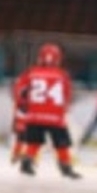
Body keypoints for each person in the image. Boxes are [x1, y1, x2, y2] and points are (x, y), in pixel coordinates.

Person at [12, 43, 80, 179]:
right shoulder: (62, 75)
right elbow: (67, 95)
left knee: (34, 141)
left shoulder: (31, 72)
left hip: (34, 115)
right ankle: (65, 167)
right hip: (55, 117)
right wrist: (64, 109)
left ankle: (27, 162)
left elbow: (20, 91)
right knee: (61, 144)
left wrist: (23, 106)